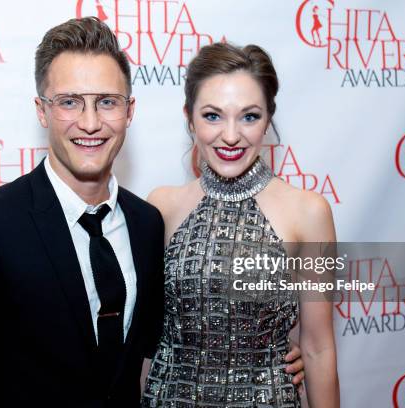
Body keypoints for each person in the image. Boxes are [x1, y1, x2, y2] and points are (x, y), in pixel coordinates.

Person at [0, 17, 305, 407]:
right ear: (41, 111)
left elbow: (174, 336)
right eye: (70, 102)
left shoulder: (147, 222)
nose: (90, 123)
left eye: (106, 102)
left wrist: (270, 352)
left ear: (129, 111)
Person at [142, 43, 339, 407]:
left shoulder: (310, 212)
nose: (231, 136)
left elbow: (318, 348)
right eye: (212, 116)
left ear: (268, 118)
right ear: (189, 118)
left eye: (249, 116)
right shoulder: (161, 205)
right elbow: (147, 342)